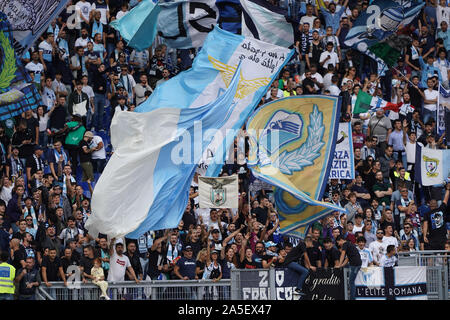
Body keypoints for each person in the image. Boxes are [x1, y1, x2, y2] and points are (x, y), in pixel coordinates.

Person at [422, 183, 450, 250]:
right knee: (442, 253)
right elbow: (445, 199)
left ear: (429, 205)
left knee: (434, 254)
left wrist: (424, 235)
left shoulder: (428, 213)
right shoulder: (441, 209)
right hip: (438, 237)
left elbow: (425, 225)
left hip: (436, 238)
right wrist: (448, 189)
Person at [335, 235, 362, 300]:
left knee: (351, 282)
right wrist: (341, 265)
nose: (338, 244)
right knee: (351, 281)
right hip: (357, 264)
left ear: (341, 240)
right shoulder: (350, 244)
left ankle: (352, 298)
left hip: (354, 264)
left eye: (338, 242)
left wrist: (339, 265)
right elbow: (347, 258)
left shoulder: (345, 244)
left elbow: (343, 255)